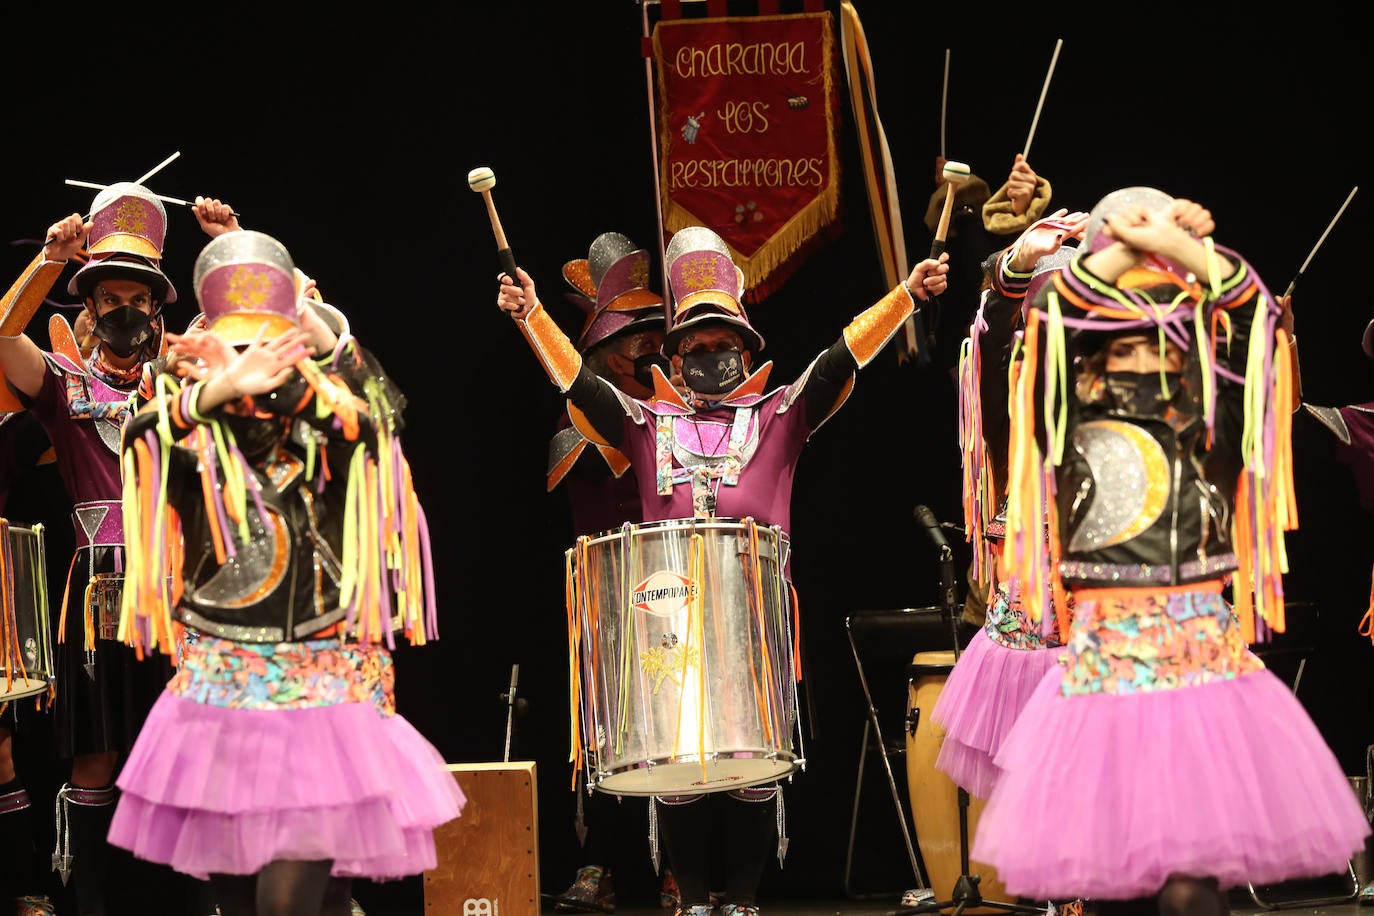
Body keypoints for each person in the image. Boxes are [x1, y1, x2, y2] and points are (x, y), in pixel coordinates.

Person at [497, 224, 950, 916]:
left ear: (747, 351)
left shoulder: (778, 416)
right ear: (674, 361)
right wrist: (531, 316)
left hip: (750, 607)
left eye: (724, 347)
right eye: (697, 349)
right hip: (668, 609)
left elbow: (840, 358)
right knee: (678, 767)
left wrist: (906, 297)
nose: (711, 359)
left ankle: (741, 897)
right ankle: (695, 899)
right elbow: (579, 383)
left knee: (749, 766)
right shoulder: (644, 424)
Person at [968, 187, 1371, 916]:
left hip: (1198, 668)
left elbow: (1258, 315)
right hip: (1102, 672)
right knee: (1108, 877)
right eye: (1115, 339)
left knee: (1192, 881)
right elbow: (1050, 316)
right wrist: (1125, 242)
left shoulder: (1209, 420)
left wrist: (1182, 249)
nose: (1135, 352)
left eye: (1155, 338)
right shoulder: (1065, 419)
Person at [106, 228, 464, 916]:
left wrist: (315, 333)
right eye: (237, 345)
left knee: (290, 906)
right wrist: (212, 395)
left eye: (264, 343)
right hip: (218, 692)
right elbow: (135, 439)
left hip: (322, 690)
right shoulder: (185, 431)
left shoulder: (327, 429)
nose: (252, 361)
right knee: (246, 903)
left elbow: (382, 419)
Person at [0, 179, 239, 916]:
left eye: (139, 297)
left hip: (178, 588)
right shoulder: (65, 384)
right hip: (100, 588)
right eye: (108, 298)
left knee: (195, 750)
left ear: (160, 304)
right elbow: (3, 337)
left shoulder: (185, 372)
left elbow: (271, 326)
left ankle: (203, 902)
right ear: (89, 306)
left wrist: (232, 239)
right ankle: (93, 906)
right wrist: (47, 261)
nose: (125, 309)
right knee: (97, 753)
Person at [931, 208, 1089, 801]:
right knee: (1051, 776)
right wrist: (1010, 267)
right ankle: (1066, 894)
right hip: (1043, 619)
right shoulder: (1012, 406)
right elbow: (993, 326)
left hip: (1119, 606)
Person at [547, 231, 678, 913]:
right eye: (637, 337)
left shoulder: (683, 415)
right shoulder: (581, 425)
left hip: (680, 591)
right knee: (606, 733)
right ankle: (599, 862)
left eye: (658, 334)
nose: (652, 347)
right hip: (609, 603)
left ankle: (677, 865)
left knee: (684, 725)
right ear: (602, 351)